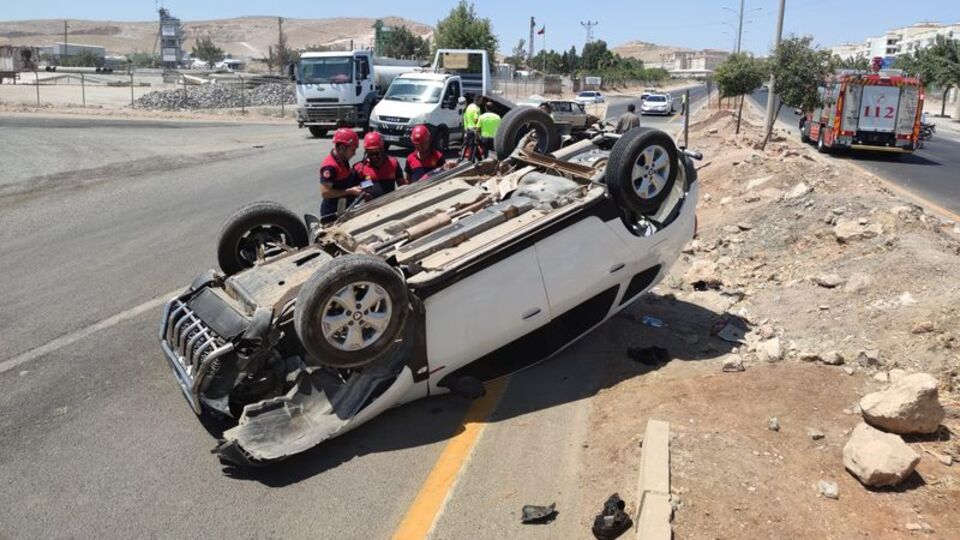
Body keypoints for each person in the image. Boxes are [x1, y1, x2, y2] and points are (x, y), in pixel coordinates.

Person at [319, 128, 361, 224]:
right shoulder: (330, 167)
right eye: (353, 150)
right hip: (333, 214)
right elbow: (325, 193)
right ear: (342, 148)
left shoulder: (343, 159)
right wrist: (350, 191)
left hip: (345, 208)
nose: (354, 153)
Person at [353, 131, 403, 198]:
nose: (374, 157)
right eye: (370, 154)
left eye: (376, 153)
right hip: (369, 207)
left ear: (382, 150)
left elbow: (402, 186)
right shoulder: (358, 168)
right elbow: (353, 192)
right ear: (366, 152)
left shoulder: (393, 163)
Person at [462, 95, 483, 160]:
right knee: (474, 146)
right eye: (481, 100)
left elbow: (465, 118)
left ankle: (479, 159)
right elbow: (476, 119)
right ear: (478, 100)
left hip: (469, 129)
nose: (481, 102)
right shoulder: (477, 108)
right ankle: (470, 160)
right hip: (474, 129)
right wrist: (478, 130)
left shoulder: (469, 106)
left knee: (472, 145)